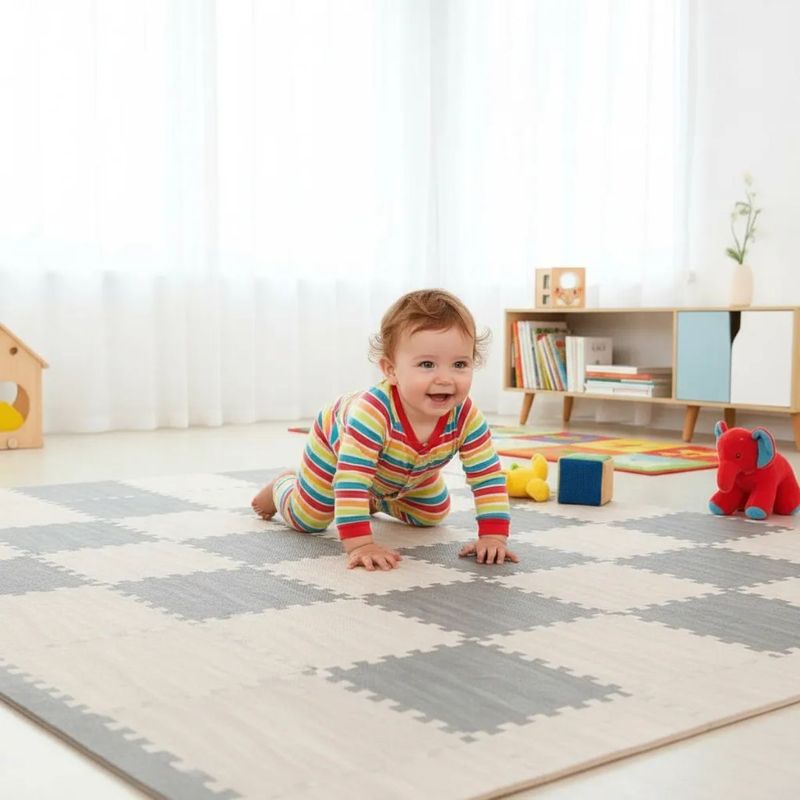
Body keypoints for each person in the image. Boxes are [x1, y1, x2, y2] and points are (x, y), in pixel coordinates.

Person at [251, 289, 517, 571]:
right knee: (309, 519)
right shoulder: (372, 415)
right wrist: (361, 544)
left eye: (459, 364)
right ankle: (283, 485)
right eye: (427, 364)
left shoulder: (467, 417)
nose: (445, 378)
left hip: (405, 469)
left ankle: (373, 500)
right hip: (336, 445)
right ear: (391, 370)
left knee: (432, 513)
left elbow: (488, 477)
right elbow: (352, 480)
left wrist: (493, 537)